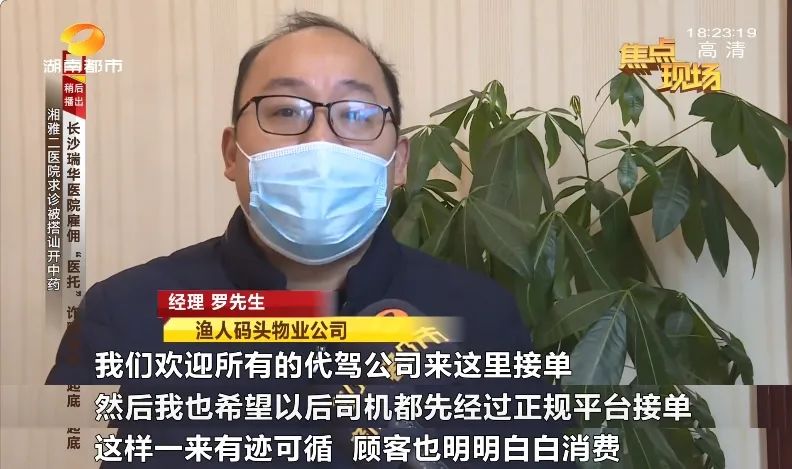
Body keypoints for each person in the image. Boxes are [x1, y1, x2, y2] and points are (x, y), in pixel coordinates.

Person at [47, 11, 573, 468]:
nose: (320, 140)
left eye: (357, 115)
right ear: (231, 154)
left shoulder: (481, 318)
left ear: (399, 164)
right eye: (285, 111)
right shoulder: (123, 314)